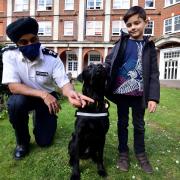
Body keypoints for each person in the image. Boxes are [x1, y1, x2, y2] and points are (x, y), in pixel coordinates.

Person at [1, 17, 94, 160]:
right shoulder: (10, 55)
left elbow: (64, 83)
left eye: (34, 39)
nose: (30, 44)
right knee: (14, 103)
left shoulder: (51, 58)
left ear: (38, 38)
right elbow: (13, 87)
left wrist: (71, 94)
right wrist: (43, 94)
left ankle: (40, 119)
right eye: (24, 42)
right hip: (26, 96)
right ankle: (22, 142)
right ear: (17, 44)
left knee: (44, 142)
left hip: (47, 99)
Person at [104, 6, 160, 173]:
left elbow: (154, 74)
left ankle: (141, 154)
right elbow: (109, 62)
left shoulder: (149, 46)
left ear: (145, 22)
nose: (133, 27)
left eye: (137, 23)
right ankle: (123, 153)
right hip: (121, 93)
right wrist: (101, 72)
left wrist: (153, 97)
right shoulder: (121, 43)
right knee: (122, 124)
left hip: (139, 95)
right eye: (129, 25)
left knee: (139, 125)